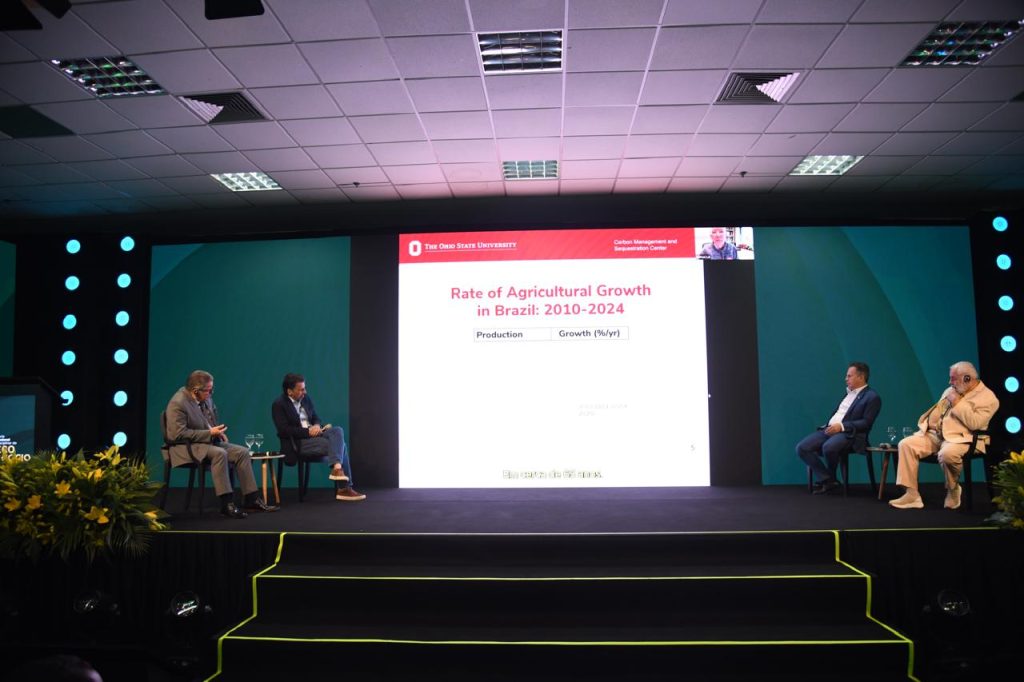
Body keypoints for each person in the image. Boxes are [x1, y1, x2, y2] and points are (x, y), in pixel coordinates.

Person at [165, 370, 278, 518]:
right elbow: (177, 434)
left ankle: (251, 499)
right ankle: (227, 504)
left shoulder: (206, 398)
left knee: (242, 452)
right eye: (208, 390)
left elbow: (209, 421)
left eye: (212, 389)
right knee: (220, 454)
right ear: (195, 391)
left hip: (207, 442)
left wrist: (217, 432)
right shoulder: (178, 403)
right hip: (186, 447)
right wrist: (209, 433)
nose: (211, 393)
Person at [890, 361, 999, 510]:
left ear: (967, 378)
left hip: (965, 439)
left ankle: (953, 489)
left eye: (953, 378)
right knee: (906, 444)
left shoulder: (988, 398)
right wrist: (931, 425)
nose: (949, 382)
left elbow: (975, 423)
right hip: (939, 435)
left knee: (947, 454)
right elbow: (939, 411)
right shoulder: (951, 390)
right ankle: (912, 495)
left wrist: (958, 403)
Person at [271, 373, 365, 501]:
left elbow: (315, 417)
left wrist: (316, 425)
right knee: (340, 445)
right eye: (301, 389)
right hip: (298, 442)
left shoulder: (305, 399)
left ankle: (337, 469)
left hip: (315, 434)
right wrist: (308, 432)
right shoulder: (279, 405)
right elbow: (284, 430)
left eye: (305, 388)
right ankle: (344, 488)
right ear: (289, 391)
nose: (305, 392)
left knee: (337, 430)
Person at [796, 362, 881, 494]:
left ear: (861, 377)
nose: (846, 379)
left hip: (850, 434)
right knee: (802, 448)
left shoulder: (872, 397)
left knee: (829, 447)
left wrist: (841, 426)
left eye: (849, 376)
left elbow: (866, 423)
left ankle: (829, 480)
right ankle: (829, 479)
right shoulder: (848, 394)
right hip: (829, 430)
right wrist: (832, 426)